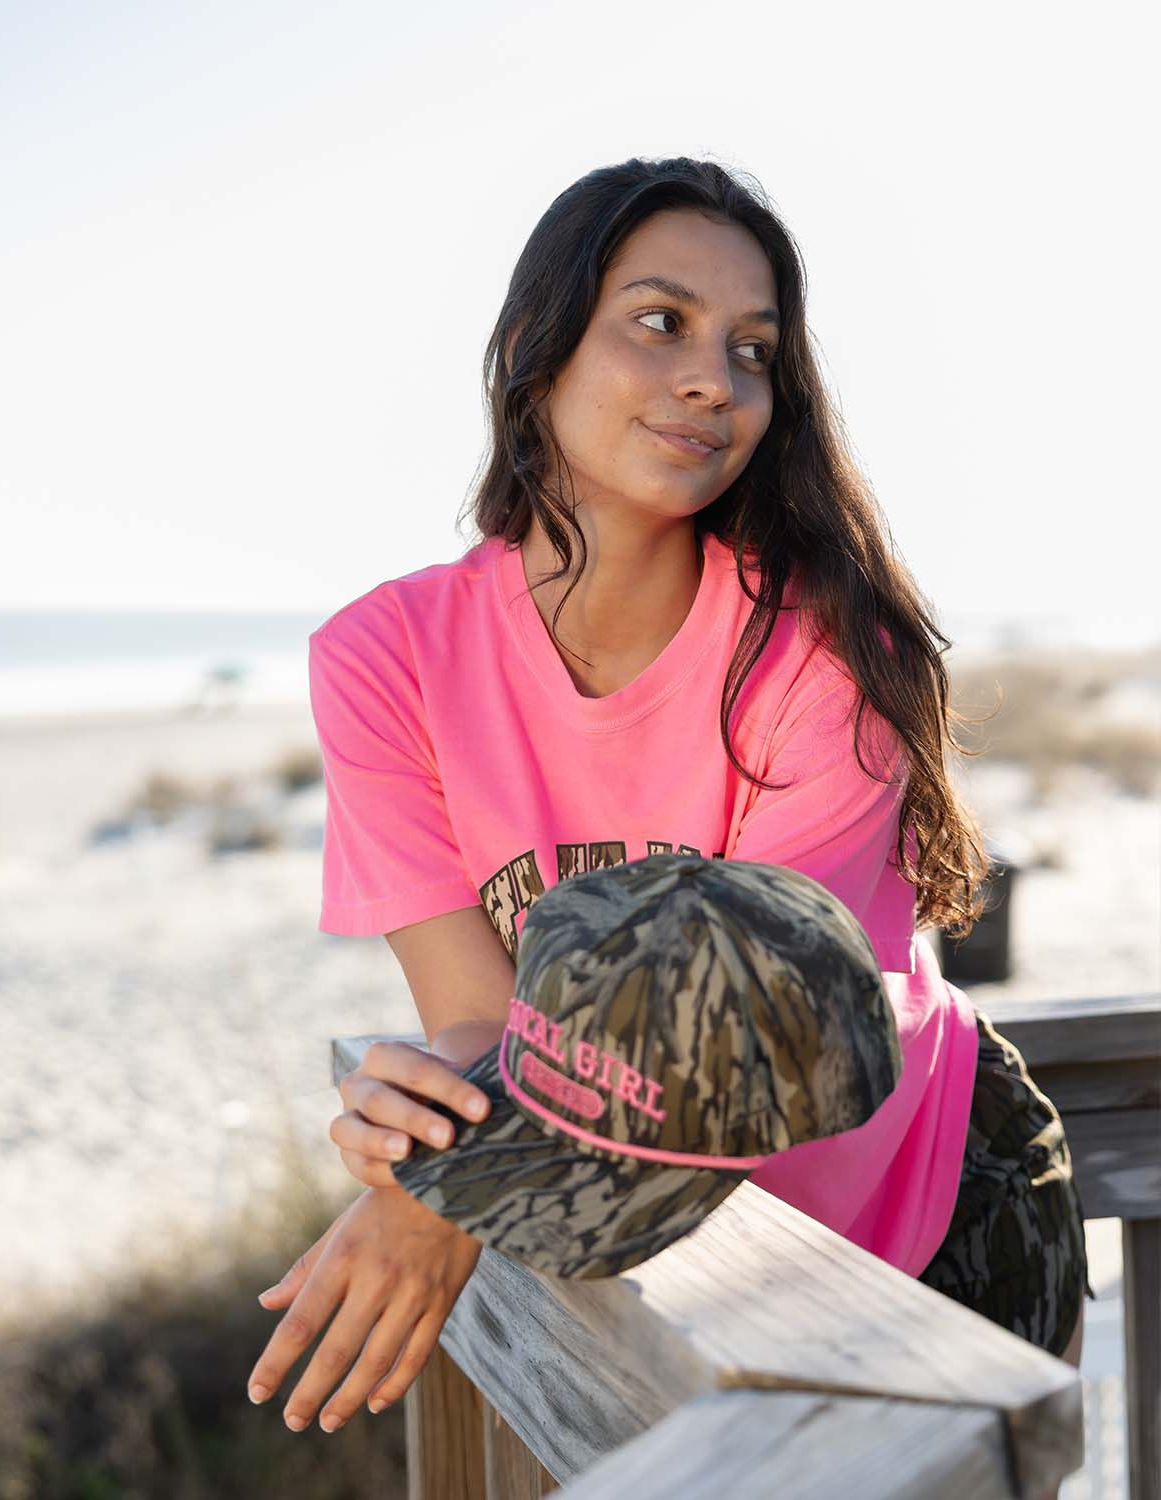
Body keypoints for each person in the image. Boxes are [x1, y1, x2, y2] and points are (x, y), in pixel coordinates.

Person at [246, 158, 1092, 1474]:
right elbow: (477, 1013)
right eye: (662, 322)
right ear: (539, 346)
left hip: (923, 1224)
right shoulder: (385, 657)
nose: (716, 379)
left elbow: (745, 1036)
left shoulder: (819, 650)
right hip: (660, 1261)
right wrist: (427, 1115)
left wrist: (444, 1200)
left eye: (755, 351)